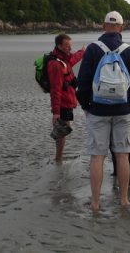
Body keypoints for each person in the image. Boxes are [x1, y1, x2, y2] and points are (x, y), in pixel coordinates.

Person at [76, 11, 130, 211]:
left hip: (98, 109)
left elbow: (82, 83)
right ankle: (124, 200)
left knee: (97, 156)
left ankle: (96, 203)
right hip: (123, 110)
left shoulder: (92, 49)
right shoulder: (128, 51)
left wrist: (87, 106)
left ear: (103, 26)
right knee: (123, 155)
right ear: (122, 28)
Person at [48, 33, 85, 162]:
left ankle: (59, 158)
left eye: (70, 46)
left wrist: (82, 52)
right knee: (61, 132)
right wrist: (56, 112)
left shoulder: (64, 59)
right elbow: (55, 90)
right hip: (62, 103)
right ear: (59, 46)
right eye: (67, 46)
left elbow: (74, 58)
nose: (70, 49)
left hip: (67, 101)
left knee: (63, 131)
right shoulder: (56, 64)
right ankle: (58, 159)